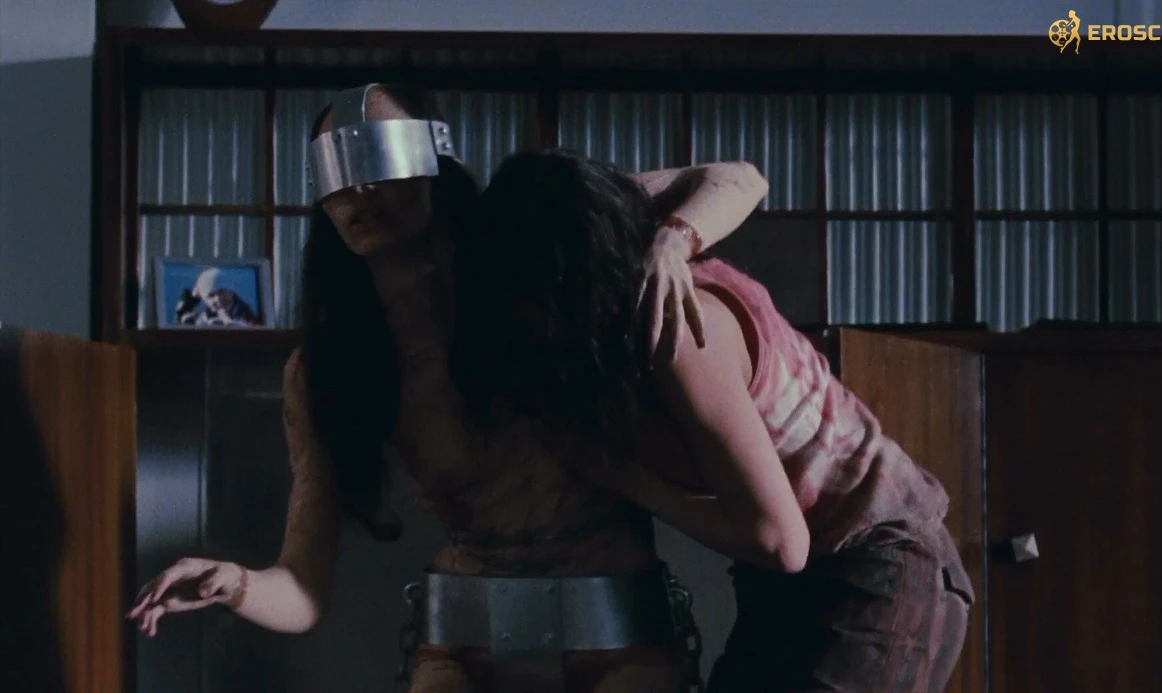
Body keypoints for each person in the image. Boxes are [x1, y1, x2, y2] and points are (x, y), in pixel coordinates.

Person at [127, 84, 768, 693]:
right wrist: (235, 583)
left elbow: (739, 178)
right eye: (338, 171)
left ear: (434, 157)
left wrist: (672, 241)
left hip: (618, 626)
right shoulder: (326, 368)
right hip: (463, 641)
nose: (361, 189)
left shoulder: (532, 247)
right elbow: (302, 589)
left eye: (379, 158)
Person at [450, 149, 976, 693]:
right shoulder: (542, 223)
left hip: (875, 565)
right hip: (785, 582)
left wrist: (620, 475)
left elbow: (781, 541)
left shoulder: (671, 329)